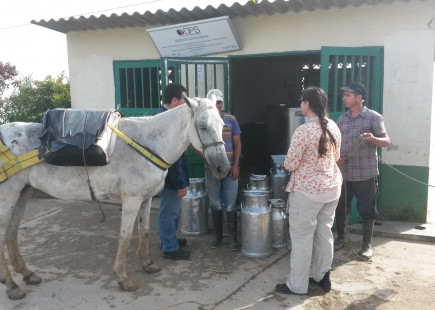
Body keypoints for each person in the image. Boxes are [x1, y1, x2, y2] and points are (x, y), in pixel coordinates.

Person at [275, 86, 342, 295]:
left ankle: (297, 285)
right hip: (331, 188)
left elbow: (290, 164)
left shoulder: (303, 131)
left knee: (302, 238)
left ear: (307, 104)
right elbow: (336, 157)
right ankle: (322, 278)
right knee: (324, 233)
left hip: (307, 193)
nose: (300, 104)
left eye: (301, 101)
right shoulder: (333, 126)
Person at [334, 82, 390, 260]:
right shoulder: (342, 119)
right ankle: (341, 238)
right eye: (344, 95)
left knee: (366, 210)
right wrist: (336, 157)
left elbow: (387, 141)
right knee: (341, 208)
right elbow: (334, 145)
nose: (344, 98)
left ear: (359, 98)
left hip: (366, 174)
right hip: (344, 174)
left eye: (348, 95)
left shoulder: (373, 117)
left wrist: (373, 138)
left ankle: (366, 246)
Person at [155, 83, 190, 260]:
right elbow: (173, 158)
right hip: (169, 175)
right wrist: (181, 183)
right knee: (169, 211)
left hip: (165, 174)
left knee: (170, 210)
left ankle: (169, 239)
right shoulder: (167, 120)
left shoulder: (162, 116)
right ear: (175, 100)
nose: (186, 103)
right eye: (184, 99)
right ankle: (169, 247)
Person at [204, 89, 242, 250]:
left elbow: (238, 143)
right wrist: (209, 161)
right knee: (215, 204)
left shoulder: (231, 120)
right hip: (211, 169)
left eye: (220, 102)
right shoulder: (204, 121)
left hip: (229, 168)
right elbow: (198, 146)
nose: (218, 105)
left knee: (231, 204)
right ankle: (218, 237)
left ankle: (233, 239)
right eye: (215, 103)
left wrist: (235, 165)